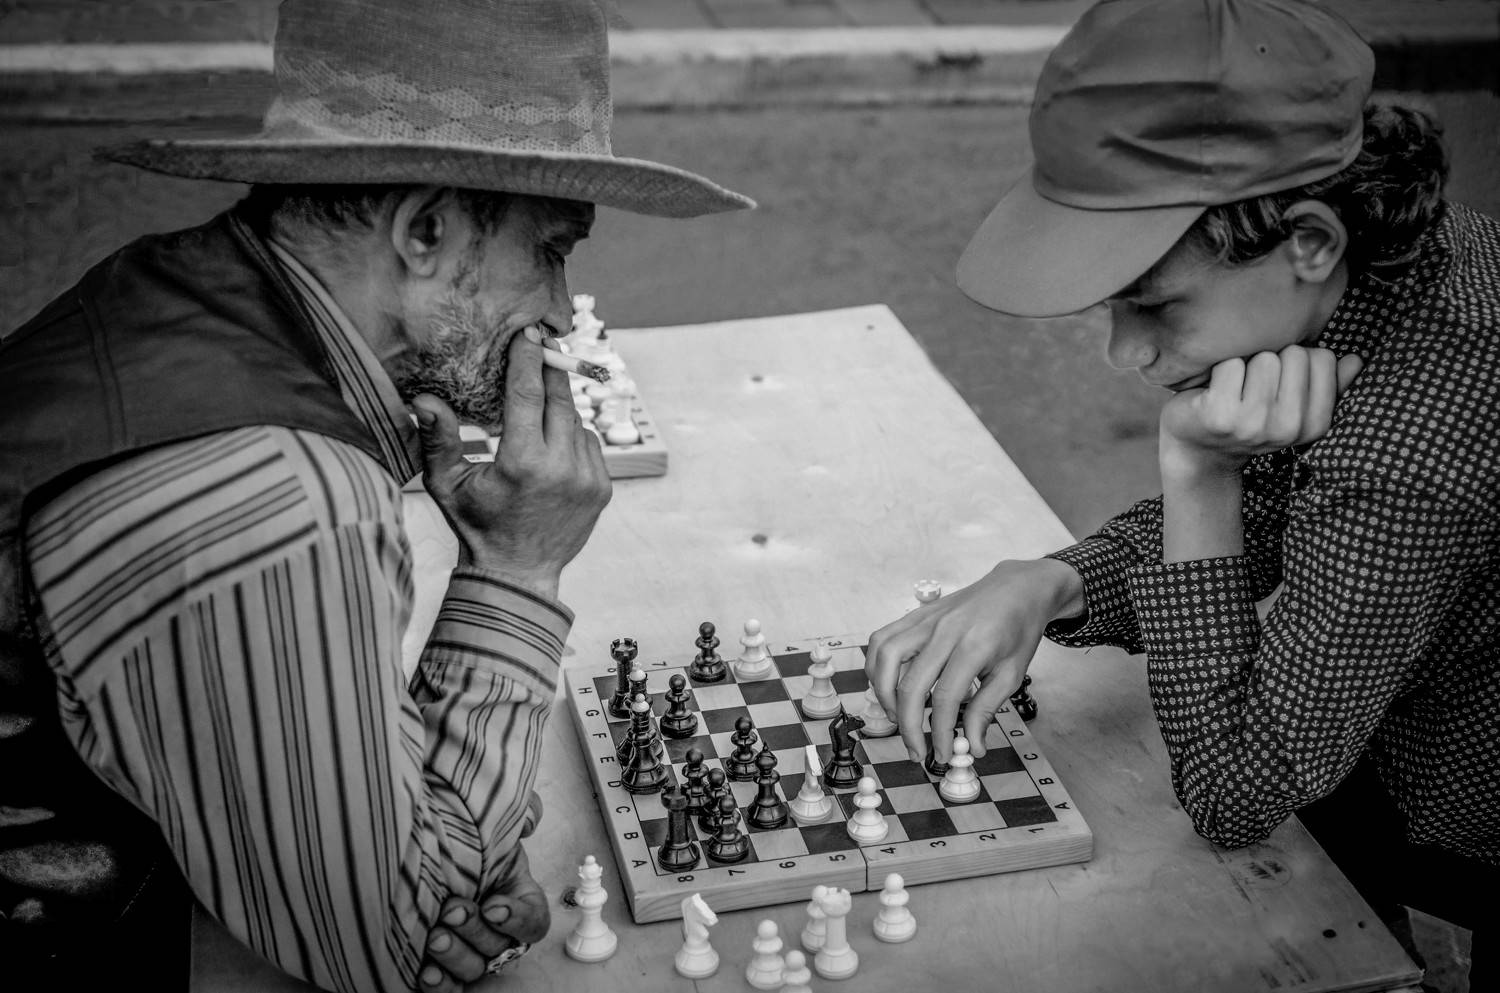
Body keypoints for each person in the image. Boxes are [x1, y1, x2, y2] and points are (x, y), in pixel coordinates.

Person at [0, 1, 752, 991]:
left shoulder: (177, 289)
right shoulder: (276, 498)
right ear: (426, 230)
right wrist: (516, 567)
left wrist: (440, 839)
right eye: (550, 250)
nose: (560, 313)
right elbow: (395, 948)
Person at [864, 0, 1496, 985]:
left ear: (1310, 241)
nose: (1125, 353)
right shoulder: (1390, 264)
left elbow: (1235, 794)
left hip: (1458, 835)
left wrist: (1199, 471)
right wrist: (1055, 580)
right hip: (1368, 735)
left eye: (1154, 304)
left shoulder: (1404, 456)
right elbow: (1292, 517)